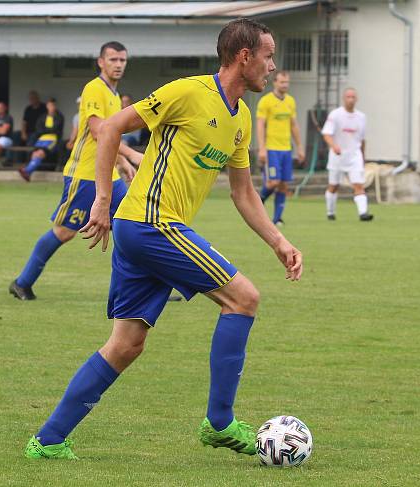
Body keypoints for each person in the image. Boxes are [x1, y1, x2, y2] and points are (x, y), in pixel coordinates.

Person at [23, 18, 302, 460]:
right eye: (268, 56)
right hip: (150, 223)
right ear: (244, 56)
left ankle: (49, 440)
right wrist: (100, 201)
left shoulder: (242, 117)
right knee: (243, 298)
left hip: (148, 230)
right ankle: (220, 422)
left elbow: (243, 192)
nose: (272, 66)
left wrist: (278, 241)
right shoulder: (187, 92)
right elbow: (110, 127)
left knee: (126, 344)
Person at [9, 41, 143, 301]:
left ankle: (137, 292)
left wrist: (121, 163)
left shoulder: (114, 95)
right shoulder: (94, 89)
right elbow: (98, 132)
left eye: (122, 60)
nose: (118, 64)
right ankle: (22, 282)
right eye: (113, 59)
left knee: (134, 225)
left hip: (110, 177)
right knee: (65, 232)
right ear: (100, 62)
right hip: (84, 176)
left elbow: (110, 138)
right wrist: (131, 154)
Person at [256, 71, 305, 225]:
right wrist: (262, 148)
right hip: (272, 150)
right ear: (275, 83)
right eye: (282, 82)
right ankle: (258, 202)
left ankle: (277, 219)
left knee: (283, 185)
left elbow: (294, 125)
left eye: (287, 82)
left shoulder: (290, 101)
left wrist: (300, 147)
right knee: (273, 182)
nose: (285, 85)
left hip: (286, 150)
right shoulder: (265, 101)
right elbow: (260, 125)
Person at [322, 88, 372, 221]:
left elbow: (362, 140)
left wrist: (363, 156)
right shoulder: (335, 115)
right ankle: (330, 212)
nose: (351, 99)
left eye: (353, 97)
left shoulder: (361, 117)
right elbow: (327, 134)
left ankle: (363, 213)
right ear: (344, 99)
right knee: (334, 186)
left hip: (354, 156)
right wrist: (334, 146)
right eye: (348, 97)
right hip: (337, 157)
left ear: (356, 99)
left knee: (358, 184)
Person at [19, 98, 64, 181]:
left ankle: (27, 170)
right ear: (47, 106)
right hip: (42, 139)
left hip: (52, 139)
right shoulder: (43, 117)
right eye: (50, 105)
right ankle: (27, 173)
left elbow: (56, 130)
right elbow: (39, 130)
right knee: (35, 153)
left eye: (53, 105)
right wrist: (48, 130)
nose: (51, 107)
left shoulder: (59, 117)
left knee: (40, 153)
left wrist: (46, 130)